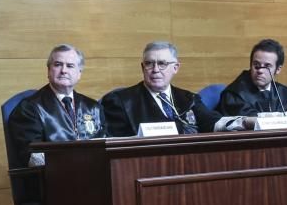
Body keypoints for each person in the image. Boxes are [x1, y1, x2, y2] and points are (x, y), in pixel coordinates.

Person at [101, 41, 242, 136]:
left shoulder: (188, 99)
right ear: (143, 67)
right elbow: (115, 144)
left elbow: (212, 122)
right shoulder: (120, 101)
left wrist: (246, 122)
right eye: (149, 64)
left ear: (175, 68)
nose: (155, 70)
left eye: (162, 63)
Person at [6, 44, 106, 168]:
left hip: (95, 174)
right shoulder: (29, 108)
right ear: (48, 70)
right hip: (50, 180)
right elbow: (33, 158)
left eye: (70, 66)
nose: (64, 70)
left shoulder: (93, 107)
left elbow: (107, 146)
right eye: (58, 64)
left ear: (79, 73)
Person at [219, 39, 287, 126]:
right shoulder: (234, 94)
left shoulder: (284, 92)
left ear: (278, 69)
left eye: (267, 66)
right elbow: (251, 122)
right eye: (256, 65)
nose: (260, 71)